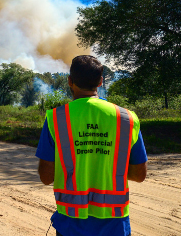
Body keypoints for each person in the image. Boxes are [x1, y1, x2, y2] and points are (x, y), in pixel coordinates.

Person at [36, 55, 147, 236]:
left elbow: (46, 177)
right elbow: (139, 175)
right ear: (101, 81)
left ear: (70, 81)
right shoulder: (127, 119)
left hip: (70, 227)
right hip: (115, 226)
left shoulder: (56, 119)